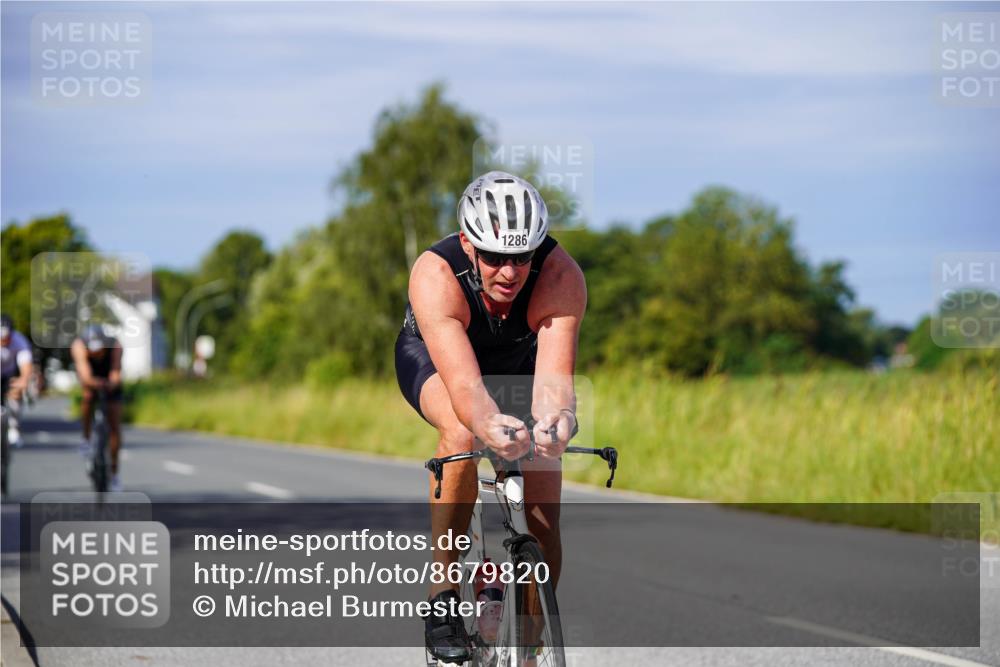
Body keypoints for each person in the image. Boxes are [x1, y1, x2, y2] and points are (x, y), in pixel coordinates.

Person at [395, 171, 586, 663]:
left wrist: (556, 422)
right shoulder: (435, 274)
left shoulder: (562, 277)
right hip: (441, 361)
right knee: (462, 431)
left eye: (521, 257)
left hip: (517, 368)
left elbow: (554, 381)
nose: (508, 272)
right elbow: (466, 390)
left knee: (543, 518)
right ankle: (442, 596)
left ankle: (528, 647)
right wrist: (488, 426)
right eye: (495, 257)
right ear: (467, 244)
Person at [71, 324, 124, 492]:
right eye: (92, 350)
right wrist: (94, 384)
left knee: (114, 425)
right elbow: (85, 375)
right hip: (91, 378)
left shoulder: (115, 345)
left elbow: (115, 372)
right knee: (87, 396)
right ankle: (86, 438)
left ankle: (114, 474)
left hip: (109, 378)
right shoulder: (78, 346)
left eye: (99, 350)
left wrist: (111, 384)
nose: (96, 353)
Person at [1, 314, 34, 448]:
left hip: (10, 372)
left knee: (16, 392)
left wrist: (23, 381)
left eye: (6, 337)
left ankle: (14, 427)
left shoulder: (19, 341)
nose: (3, 341)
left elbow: (26, 366)